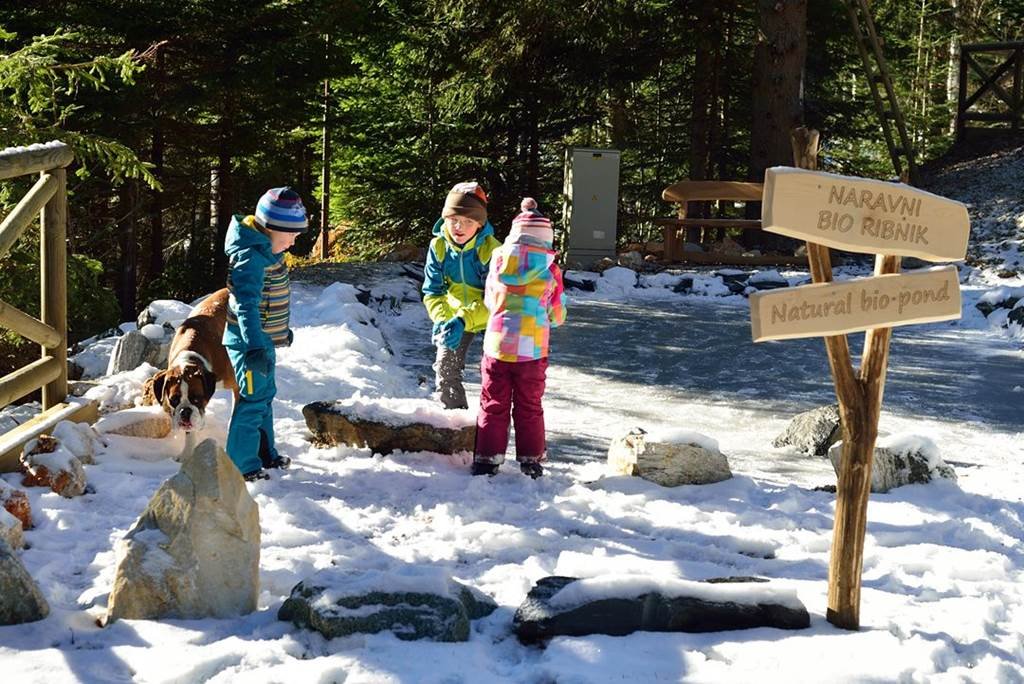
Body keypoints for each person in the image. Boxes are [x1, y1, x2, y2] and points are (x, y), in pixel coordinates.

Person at [472, 198, 567, 478]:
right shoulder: (550, 270)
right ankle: (530, 460)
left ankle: (486, 459)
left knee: (492, 402)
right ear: (546, 240)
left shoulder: (498, 262)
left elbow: (490, 300)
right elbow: (556, 313)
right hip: (532, 351)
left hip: (497, 346)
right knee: (529, 404)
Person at [223, 186, 307, 481]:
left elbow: (269, 301)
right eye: (290, 237)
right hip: (249, 345)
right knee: (252, 399)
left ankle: (263, 453)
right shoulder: (250, 258)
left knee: (265, 396)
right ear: (270, 228)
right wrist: (255, 346)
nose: (293, 243)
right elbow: (246, 305)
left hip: (263, 341)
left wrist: (279, 332)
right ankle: (240, 466)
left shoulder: (266, 251)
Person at [422, 182, 502, 409]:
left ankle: (492, 427)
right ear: (444, 219)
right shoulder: (438, 247)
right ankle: (455, 424)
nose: (459, 226)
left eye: (468, 221)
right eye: (453, 219)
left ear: (480, 223)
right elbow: (432, 291)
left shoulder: (491, 250)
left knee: (497, 374)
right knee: (446, 366)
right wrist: (442, 319)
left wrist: (464, 319)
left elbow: (496, 299)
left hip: (492, 315)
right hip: (455, 315)